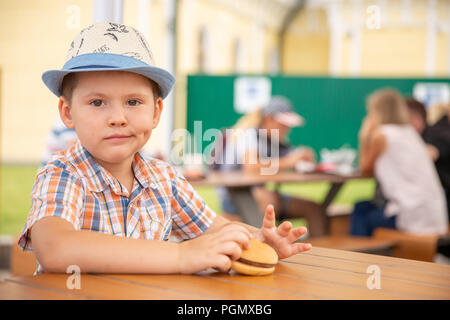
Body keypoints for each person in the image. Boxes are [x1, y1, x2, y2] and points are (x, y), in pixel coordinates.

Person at [18, 22, 311, 275]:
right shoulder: (63, 174)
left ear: (156, 112)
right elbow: (55, 249)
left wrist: (258, 239)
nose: (118, 118)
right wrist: (181, 256)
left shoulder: (164, 179)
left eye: (133, 102)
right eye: (97, 102)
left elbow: (216, 229)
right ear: (67, 112)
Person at [214, 96, 327, 237]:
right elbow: (251, 166)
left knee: (313, 208)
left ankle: (318, 254)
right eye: (283, 124)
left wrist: (302, 158)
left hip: (262, 194)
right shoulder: (249, 134)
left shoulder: (275, 140)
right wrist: (289, 161)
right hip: (236, 197)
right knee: (270, 203)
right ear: (268, 119)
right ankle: (267, 252)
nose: (287, 128)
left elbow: (289, 161)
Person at [350, 88, 448, 236]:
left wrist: (364, 135)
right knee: (364, 207)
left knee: (361, 211)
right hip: (434, 214)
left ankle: (358, 258)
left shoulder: (382, 134)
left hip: (411, 216)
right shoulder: (409, 132)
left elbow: (365, 169)